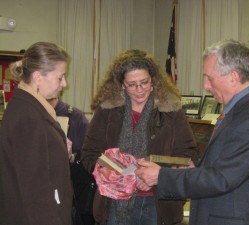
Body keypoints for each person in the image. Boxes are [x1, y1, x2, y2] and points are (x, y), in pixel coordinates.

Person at [135, 40, 249, 225]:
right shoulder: (239, 112)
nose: (206, 86)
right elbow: (221, 168)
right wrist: (192, 172)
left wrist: (161, 176)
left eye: (209, 78)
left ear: (233, 77)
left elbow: (221, 179)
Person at [80, 49, 199, 225]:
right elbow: (90, 153)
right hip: (113, 202)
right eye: (132, 84)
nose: (139, 90)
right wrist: (110, 174)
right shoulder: (107, 111)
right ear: (122, 84)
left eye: (144, 82)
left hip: (158, 204)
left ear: (153, 81)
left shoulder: (170, 111)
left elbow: (188, 154)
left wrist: (157, 175)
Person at [0, 42, 73, 225]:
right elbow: (34, 189)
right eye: (60, 77)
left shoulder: (32, 108)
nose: (65, 83)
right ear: (38, 77)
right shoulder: (28, 116)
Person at [48, 96, 96, 225]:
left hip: (69, 194)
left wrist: (72, 157)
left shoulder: (76, 117)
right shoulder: (29, 115)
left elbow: (89, 157)